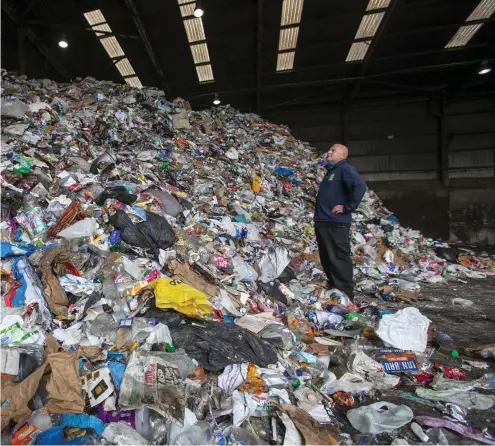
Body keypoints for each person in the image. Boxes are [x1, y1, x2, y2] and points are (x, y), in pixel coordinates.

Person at [314, 143, 367, 300]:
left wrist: (347, 207)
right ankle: (335, 288)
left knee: (338, 257)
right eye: (329, 149)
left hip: (336, 222)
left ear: (342, 155)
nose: (328, 152)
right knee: (327, 257)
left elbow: (360, 186)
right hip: (324, 221)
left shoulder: (345, 169)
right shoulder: (332, 171)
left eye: (333, 150)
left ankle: (345, 294)